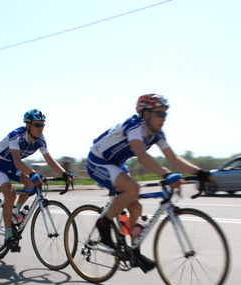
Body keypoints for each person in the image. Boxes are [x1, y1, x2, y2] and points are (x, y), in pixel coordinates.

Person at [86, 93, 211, 273]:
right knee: (132, 188)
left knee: (136, 208)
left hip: (115, 164)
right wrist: (166, 174)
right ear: (146, 114)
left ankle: (132, 251)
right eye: (159, 114)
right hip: (98, 160)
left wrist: (200, 172)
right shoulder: (135, 127)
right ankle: (103, 223)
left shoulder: (157, 134)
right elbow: (142, 157)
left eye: (165, 114)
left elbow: (173, 158)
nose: (164, 118)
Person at [0, 109, 73, 251]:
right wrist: (33, 172)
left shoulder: (40, 139)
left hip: (12, 164)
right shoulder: (16, 136)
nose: (40, 128)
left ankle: (16, 211)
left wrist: (64, 173)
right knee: (10, 195)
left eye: (42, 125)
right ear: (28, 125)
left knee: (30, 184)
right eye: (37, 125)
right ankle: (8, 234)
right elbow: (17, 160)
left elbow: (50, 161)